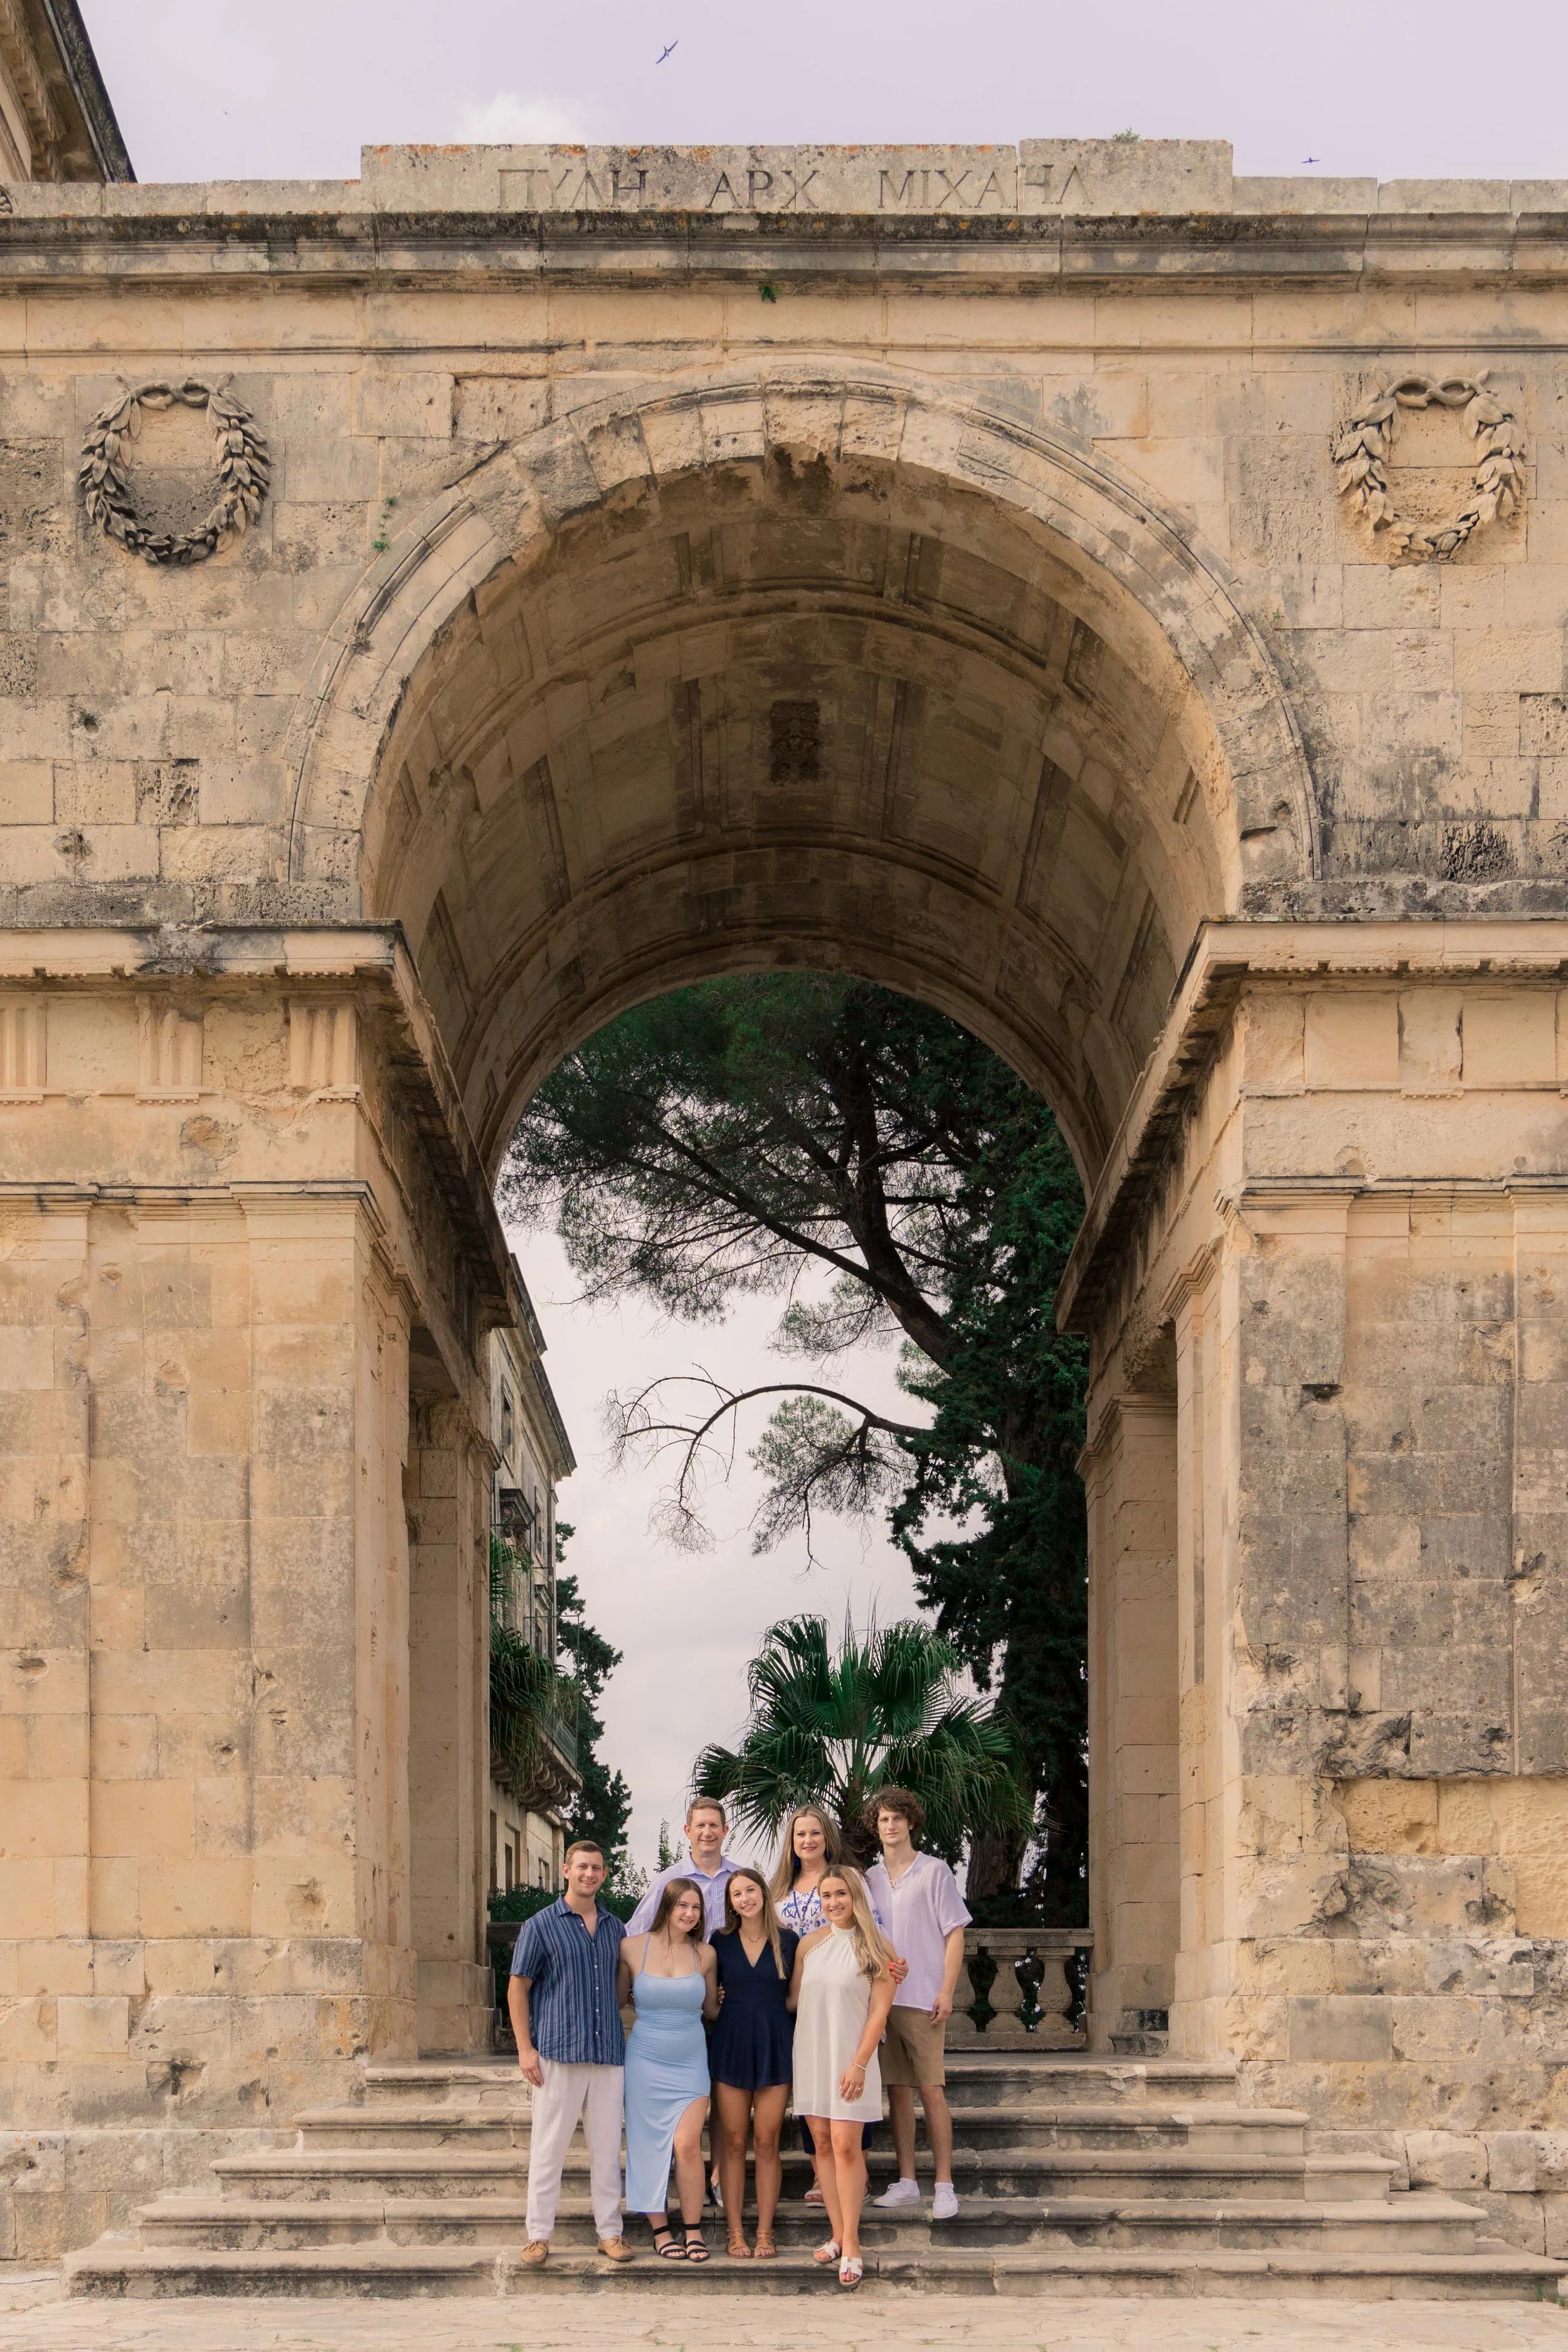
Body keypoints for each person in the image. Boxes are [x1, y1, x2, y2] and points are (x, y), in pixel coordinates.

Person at [508, 1838, 632, 2269]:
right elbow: (518, 1987)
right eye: (582, 1867)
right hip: (557, 2053)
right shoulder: (540, 1925)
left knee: (605, 2149)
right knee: (549, 2149)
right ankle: (538, 2236)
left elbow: (620, 1989)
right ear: (566, 1870)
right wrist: (525, 2049)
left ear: (604, 1874)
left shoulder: (617, 1927)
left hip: (607, 2054)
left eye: (597, 1868)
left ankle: (610, 2233)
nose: (589, 1874)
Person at [864, 1788, 972, 2222]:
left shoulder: (935, 1872)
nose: (890, 1826)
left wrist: (946, 1990)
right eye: (883, 1820)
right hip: (883, 2001)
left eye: (897, 1818)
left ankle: (944, 2185)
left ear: (911, 1822)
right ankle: (907, 2182)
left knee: (931, 2091)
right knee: (898, 2094)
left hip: (924, 1998)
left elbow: (955, 1933)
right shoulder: (870, 1878)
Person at [788, 1865, 896, 2291]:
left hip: (854, 2060)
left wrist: (859, 2064)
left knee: (848, 2147)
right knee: (821, 2146)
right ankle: (835, 2233)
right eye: (826, 1895)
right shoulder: (808, 1946)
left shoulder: (879, 1948)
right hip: (811, 2056)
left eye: (841, 1894)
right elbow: (793, 2000)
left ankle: (852, 2243)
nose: (833, 1902)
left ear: (856, 1897)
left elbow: (879, 2012)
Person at [617, 1876, 719, 2262]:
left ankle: (693, 2231)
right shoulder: (631, 1947)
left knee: (687, 2144)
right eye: (683, 1906)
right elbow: (618, 2000)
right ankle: (660, 2230)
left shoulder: (706, 1954)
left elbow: (711, 2011)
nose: (690, 1914)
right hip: (644, 2060)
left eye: (696, 1908)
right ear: (667, 1906)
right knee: (646, 2146)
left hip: (692, 2060)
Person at [707, 1865, 798, 2259]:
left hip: (776, 2044)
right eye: (736, 1894)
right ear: (730, 1903)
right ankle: (734, 2232)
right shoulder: (719, 1942)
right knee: (733, 2142)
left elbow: (795, 2001)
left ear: (763, 1892)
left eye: (750, 1890)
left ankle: (764, 2232)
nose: (745, 1898)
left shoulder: (789, 1941)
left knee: (766, 2142)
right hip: (731, 2043)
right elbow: (710, 2007)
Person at [628, 1798, 738, 1936]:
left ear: (725, 1830)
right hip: (684, 1957)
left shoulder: (740, 1878)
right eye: (700, 1826)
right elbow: (635, 1932)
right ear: (688, 1831)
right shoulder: (667, 1880)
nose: (708, 1832)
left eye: (714, 1825)